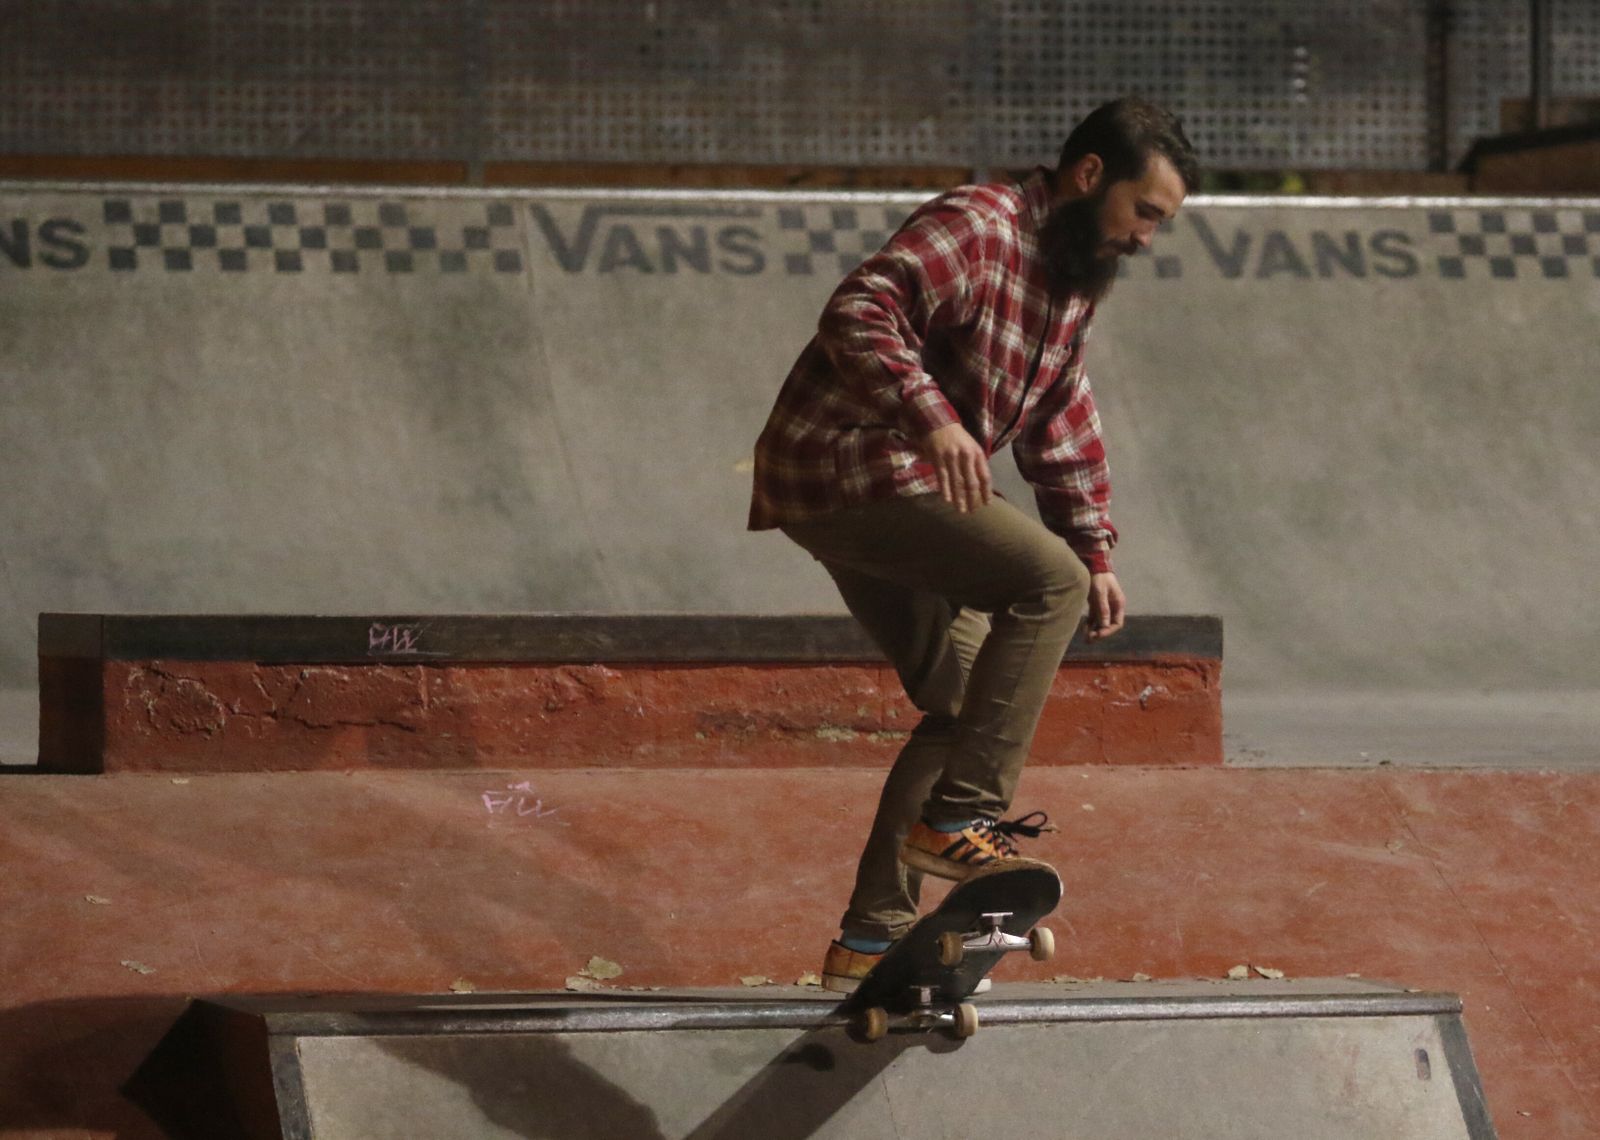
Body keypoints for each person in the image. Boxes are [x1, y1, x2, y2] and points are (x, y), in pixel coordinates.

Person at [748, 96, 1198, 993]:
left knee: (964, 704)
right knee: (1047, 586)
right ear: (1089, 175)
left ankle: (869, 940)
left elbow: (1061, 416)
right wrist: (932, 418)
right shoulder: (981, 224)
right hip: (849, 461)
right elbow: (862, 309)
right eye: (1144, 212)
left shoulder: (1071, 279)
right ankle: (961, 821)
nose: (1147, 238)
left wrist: (1095, 546)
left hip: (891, 492)